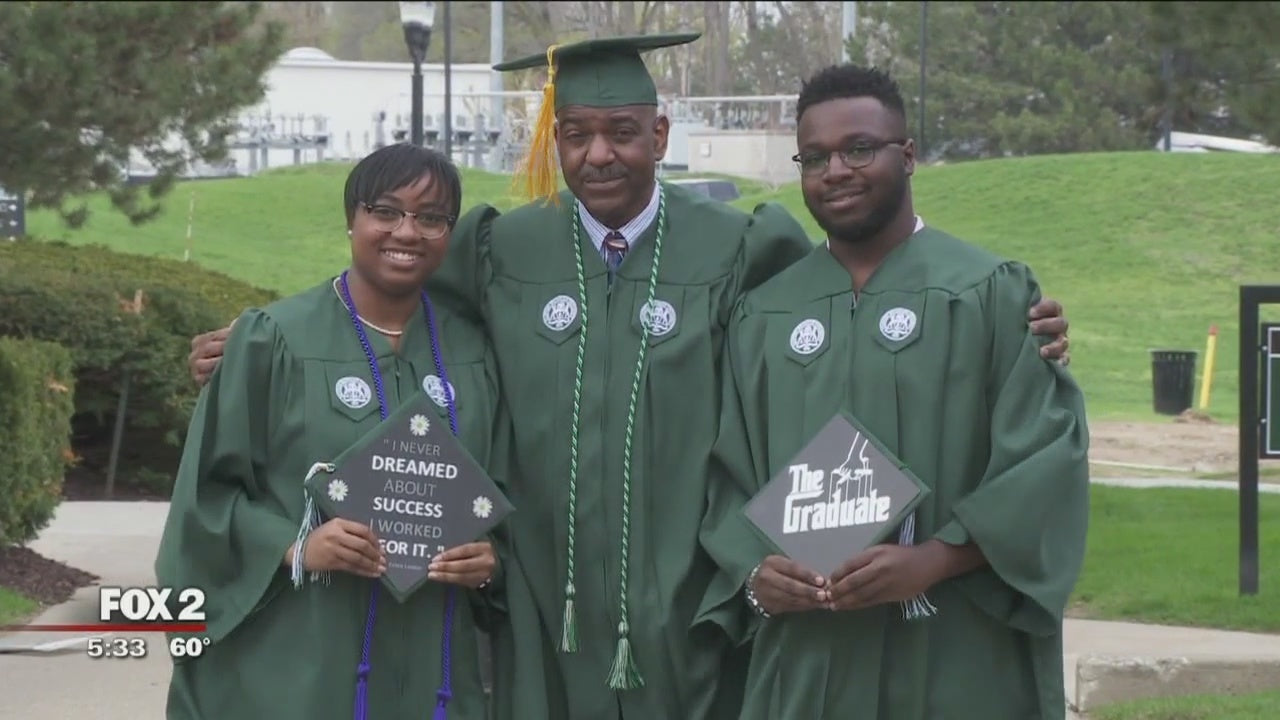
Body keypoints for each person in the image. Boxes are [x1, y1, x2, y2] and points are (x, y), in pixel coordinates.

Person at [185, 33, 1072, 720]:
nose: (599, 154)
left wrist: (1010, 315)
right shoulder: (502, 247)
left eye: (621, 132)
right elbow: (388, 284)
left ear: (660, 133)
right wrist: (263, 335)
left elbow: (856, 294)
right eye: (576, 134)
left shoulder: (742, 249)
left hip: (689, 593)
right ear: (556, 140)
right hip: (541, 597)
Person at [697, 64, 1090, 720]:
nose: (835, 171)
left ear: (907, 155)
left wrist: (937, 558)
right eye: (814, 156)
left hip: (955, 643)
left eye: (859, 149)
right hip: (809, 655)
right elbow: (727, 474)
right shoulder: (764, 315)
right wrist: (756, 575)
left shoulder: (988, 291)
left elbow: (1045, 459)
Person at [154, 143, 512, 720]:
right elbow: (205, 500)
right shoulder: (276, 338)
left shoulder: (474, 353)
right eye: (386, 211)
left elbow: (509, 492)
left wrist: (490, 561)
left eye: (431, 218)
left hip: (434, 661)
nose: (408, 231)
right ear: (352, 220)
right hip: (302, 657)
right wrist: (296, 546)